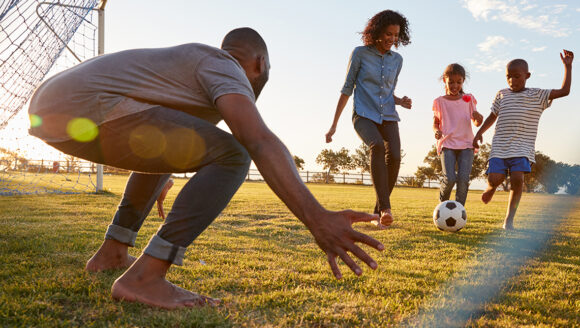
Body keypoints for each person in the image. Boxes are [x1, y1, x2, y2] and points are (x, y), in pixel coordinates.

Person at [28, 27, 385, 309]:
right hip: (83, 104)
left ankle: (112, 253)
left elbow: (159, 139)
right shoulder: (223, 64)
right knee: (234, 154)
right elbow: (257, 139)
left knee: (183, 149)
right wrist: (317, 218)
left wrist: (161, 168)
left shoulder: (194, 73)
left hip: (54, 109)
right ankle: (145, 279)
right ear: (259, 64)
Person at [325, 10, 412, 229]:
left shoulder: (397, 60)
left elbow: (386, 92)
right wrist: (334, 124)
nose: (392, 39)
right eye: (388, 34)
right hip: (363, 115)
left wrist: (400, 100)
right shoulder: (360, 54)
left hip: (389, 115)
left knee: (394, 155)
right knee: (377, 147)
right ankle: (386, 208)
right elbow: (347, 89)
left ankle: (378, 212)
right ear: (376, 32)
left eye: (396, 35)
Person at [473, 50, 574, 229]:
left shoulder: (538, 95)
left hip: (522, 147)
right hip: (500, 147)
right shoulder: (502, 94)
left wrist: (567, 66)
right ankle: (491, 188)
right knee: (494, 178)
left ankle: (509, 220)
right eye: (508, 77)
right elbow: (492, 116)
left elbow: (565, 91)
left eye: (516, 76)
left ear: (527, 76)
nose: (512, 80)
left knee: (518, 179)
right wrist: (479, 132)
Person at [432, 63, 483, 206]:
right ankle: (442, 207)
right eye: (451, 82)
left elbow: (476, 122)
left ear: (463, 81)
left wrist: (479, 118)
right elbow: (435, 123)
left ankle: (459, 210)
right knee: (449, 179)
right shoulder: (439, 102)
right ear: (444, 81)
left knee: (463, 180)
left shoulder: (468, 99)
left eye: (458, 82)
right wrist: (436, 131)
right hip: (447, 144)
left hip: (467, 144)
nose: (455, 85)